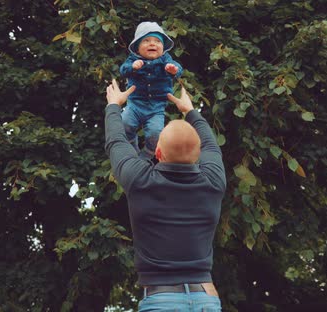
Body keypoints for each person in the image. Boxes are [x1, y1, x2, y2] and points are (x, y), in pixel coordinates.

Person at [104, 79, 226, 311]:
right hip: (206, 299)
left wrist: (114, 106)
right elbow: (211, 146)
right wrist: (190, 111)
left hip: (161, 300)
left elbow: (116, 141)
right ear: (198, 154)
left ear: (157, 152)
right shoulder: (213, 180)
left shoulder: (140, 180)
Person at [120, 21, 183, 159]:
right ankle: (132, 150)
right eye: (146, 41)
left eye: (157, 41)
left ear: (163, 47)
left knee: (156, 134)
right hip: (135, 104)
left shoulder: (165, 59)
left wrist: (174, 70)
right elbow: (123, 70)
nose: (152, 44)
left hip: (156, 107)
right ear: (137, 48)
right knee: (124, 123)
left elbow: (178, 68)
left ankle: (146, 156)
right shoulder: (133, 59)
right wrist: (133, 67)